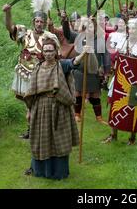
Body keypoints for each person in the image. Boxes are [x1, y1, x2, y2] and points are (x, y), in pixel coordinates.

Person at [23, 33, 91, 180]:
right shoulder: (37, 68)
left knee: (58, 140)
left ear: (56, 52)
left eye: (51, 50)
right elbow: (31, 93)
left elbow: (74, 62)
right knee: (41, 139)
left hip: (58, 108)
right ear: (42, 52)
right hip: (40, 108)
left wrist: (84, 52)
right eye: (45, 51)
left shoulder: (61, 65)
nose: (48, 53)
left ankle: (58, 172)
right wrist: (29, 110)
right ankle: (39, 170)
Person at [2, 0, 59, 139]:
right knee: (29, 104)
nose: (39, 24)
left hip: (42, 75)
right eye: (37, 21)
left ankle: (38, 129)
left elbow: (56, 56)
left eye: (42, 22)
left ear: (45, 23)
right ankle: (32, 129)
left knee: (39, 104)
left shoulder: (50, 36)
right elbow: (10, 27)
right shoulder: (25, 32)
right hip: (25, 72)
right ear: (33, 21)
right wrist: (8, 13)